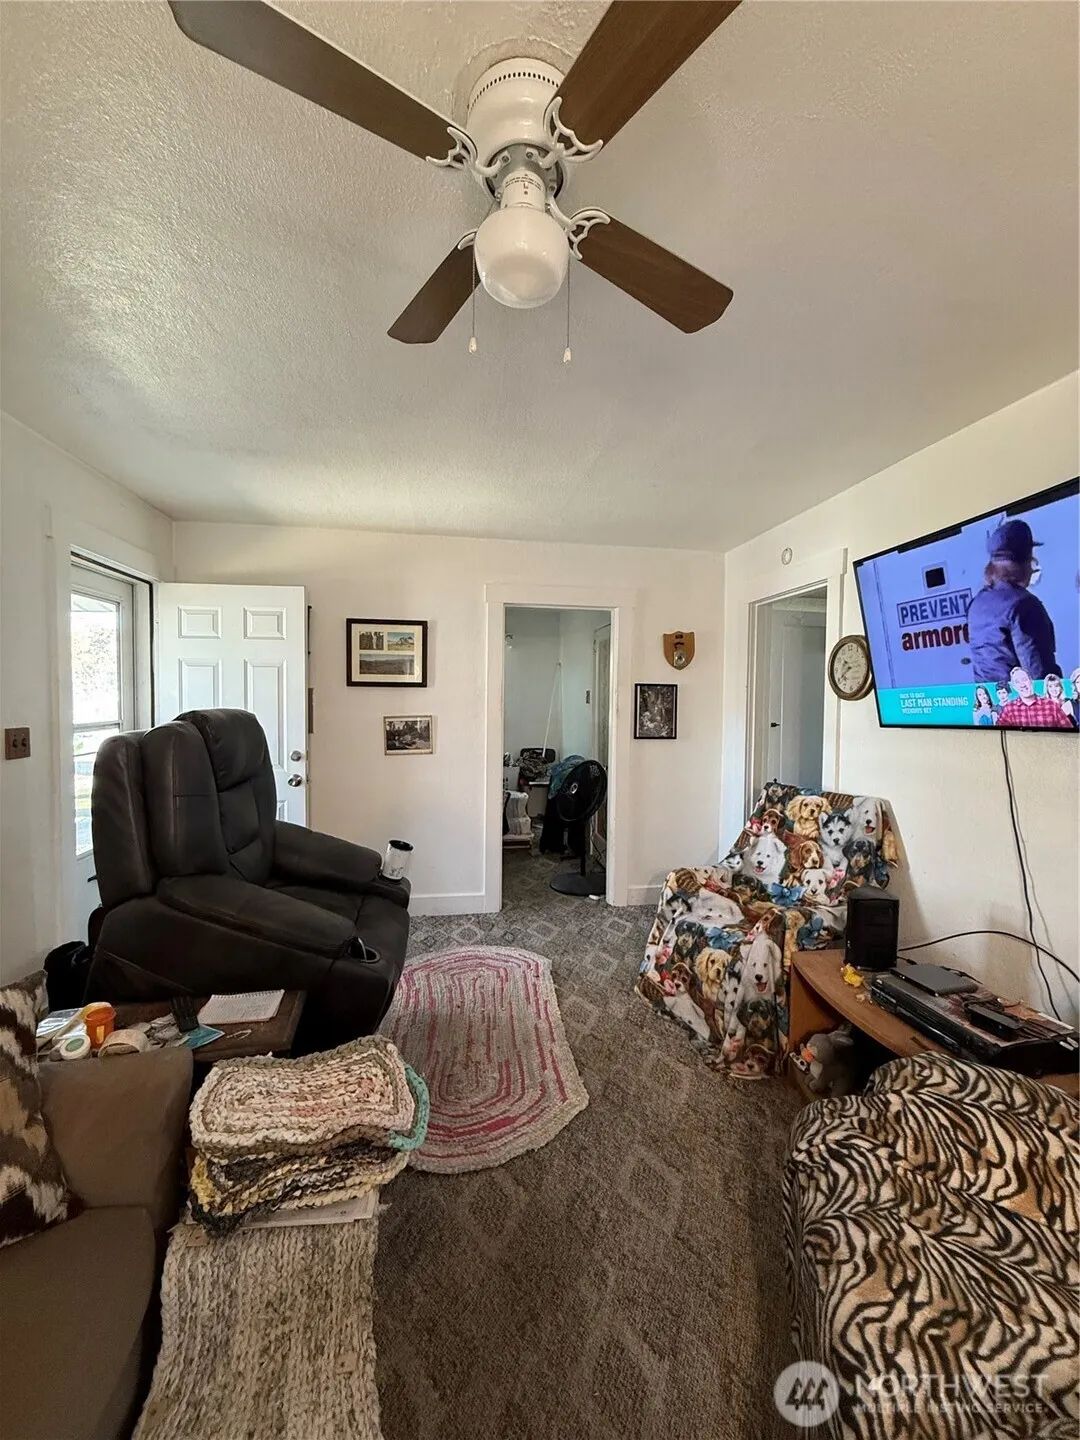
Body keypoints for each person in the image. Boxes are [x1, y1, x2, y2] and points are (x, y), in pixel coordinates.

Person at [967, 518, 1060, 682]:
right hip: (1022, 697)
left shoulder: (977, 603)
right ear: (1026, 562)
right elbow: (1039, 675)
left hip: (989, 696)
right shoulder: (1025, 605)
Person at [995, 666, 1072, 729]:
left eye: (1024, 679)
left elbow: (1069, 733)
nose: (1022, 685)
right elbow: (997, 735)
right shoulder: (1009, 709)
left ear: (1031, 681)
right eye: (1017, 682)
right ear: (1014, 687)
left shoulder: (1051, 706)